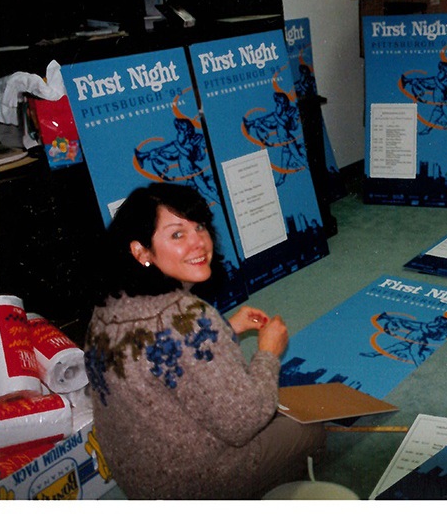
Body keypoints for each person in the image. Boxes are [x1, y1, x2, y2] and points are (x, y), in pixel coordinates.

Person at [82, 182, 325, 499]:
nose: (199, 242)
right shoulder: (190, 318)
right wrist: (268, 353)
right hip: (199, 485)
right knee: (309, 427)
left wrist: (224, 329)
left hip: (141, 482)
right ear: (140, 250)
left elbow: (158, 356)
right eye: (177, 234)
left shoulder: (107, 307)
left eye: (199, 227)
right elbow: (244, 420)